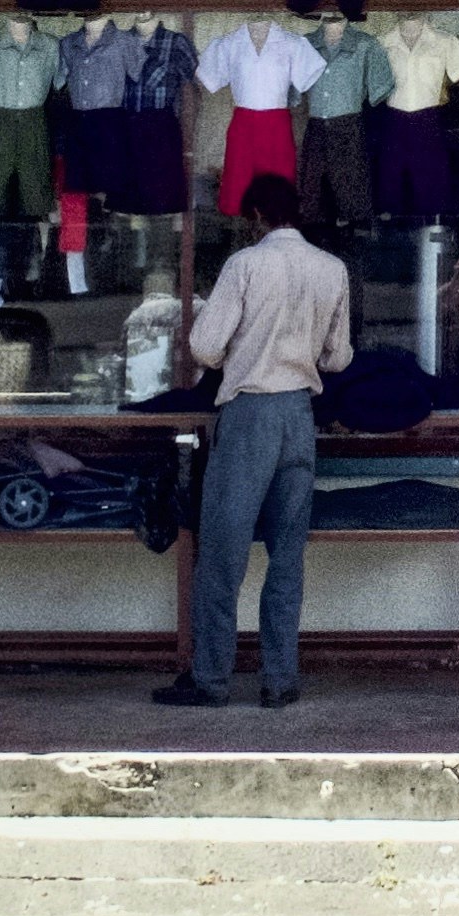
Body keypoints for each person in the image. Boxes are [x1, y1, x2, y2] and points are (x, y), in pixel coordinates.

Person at [153, 172, 350, 707]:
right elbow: (337, 358)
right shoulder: (331, 268)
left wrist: (243, 347)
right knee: (287, 555)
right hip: (299, 417)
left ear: (256, 217)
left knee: (222, 553)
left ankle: (211, 679)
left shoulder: (245, 265)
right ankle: (279, 680)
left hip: (250, 414)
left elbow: (204, 347)